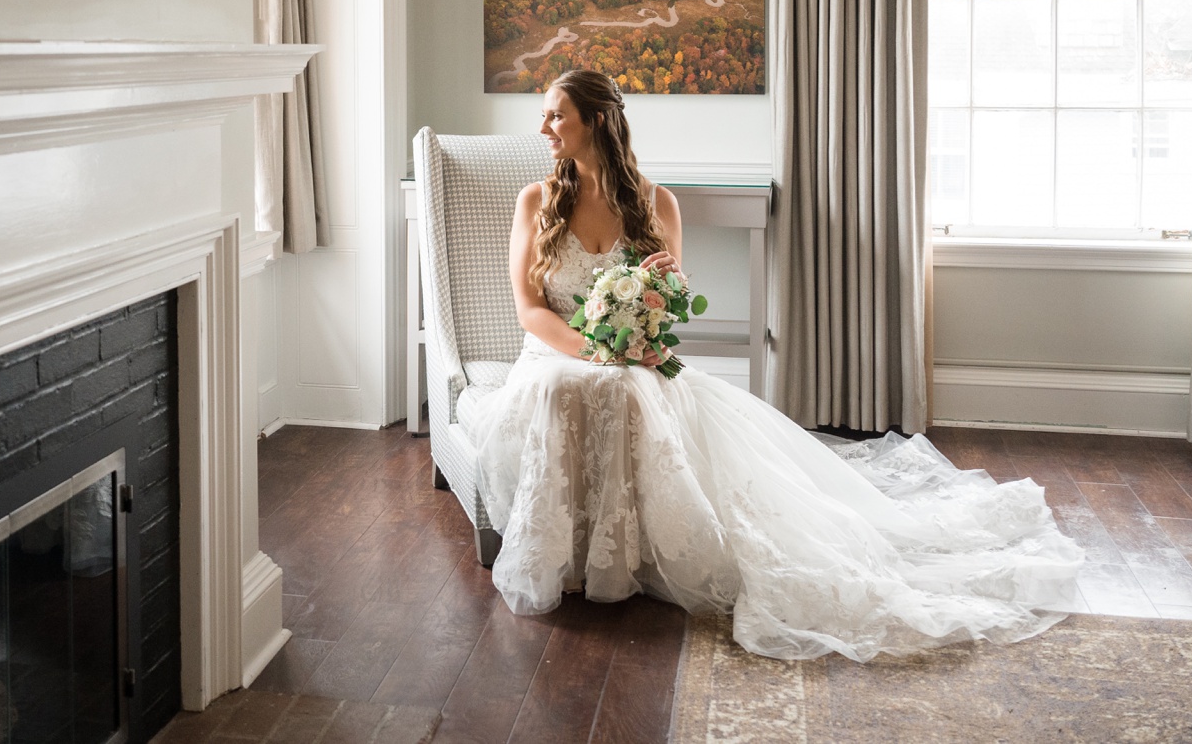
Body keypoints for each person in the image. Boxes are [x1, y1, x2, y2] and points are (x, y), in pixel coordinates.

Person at [458, 67, 1084, 662]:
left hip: (633, 358)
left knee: (630, 392)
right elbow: (530, 310)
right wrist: (596, 349)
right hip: (553, 353)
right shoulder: (536, 201)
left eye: (555, 116)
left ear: (594, 121)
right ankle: (565, 555)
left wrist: (642, 323)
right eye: (545, 117)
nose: (543, 129)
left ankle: (624, 559)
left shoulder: (657, 204)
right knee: (569, 389)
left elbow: (666, 306)